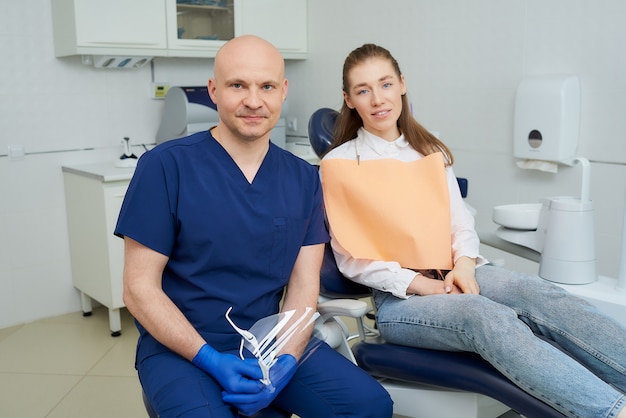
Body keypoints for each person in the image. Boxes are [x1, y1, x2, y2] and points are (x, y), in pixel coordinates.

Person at [320, 43, 626, 418]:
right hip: (400, 300)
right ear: (348, 99)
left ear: (402, 84)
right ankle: (613, 412)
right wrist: (426, 286)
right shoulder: (337, 165)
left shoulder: (428, 150)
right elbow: (352, 258)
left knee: (537, 293)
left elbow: (459, 222)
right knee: (483, 316)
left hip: (457, 271)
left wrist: (464, 266)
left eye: (385, 84)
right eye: (363, 90)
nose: (377, 99)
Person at [114, 35, 393, 418]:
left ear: (283, 91)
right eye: (237, 85)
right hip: (179, 347)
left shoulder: (303, 179)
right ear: (214, 90)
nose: (253, 101)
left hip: (268, 342)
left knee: (370, 405)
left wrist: (287, 362)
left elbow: (303, 284)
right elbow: (138, 288)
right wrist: (210, 359)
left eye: (266, 86)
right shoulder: (165, 167)